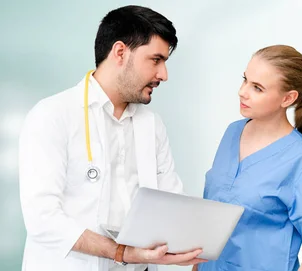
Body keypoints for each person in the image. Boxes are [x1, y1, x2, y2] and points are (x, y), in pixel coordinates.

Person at [19, 5, 205, 271]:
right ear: (120, 52)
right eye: (155, 60)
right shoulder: (52, 115)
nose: (164, 75)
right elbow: (42, 219)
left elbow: (171, 203)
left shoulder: (152, 125)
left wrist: (194, 247)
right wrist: (122, 253)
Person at [195, 45, 302, 271]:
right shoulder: (232, 133)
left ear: (288, 98)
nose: (242, 91)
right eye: (245, 80)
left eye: (257, 88)